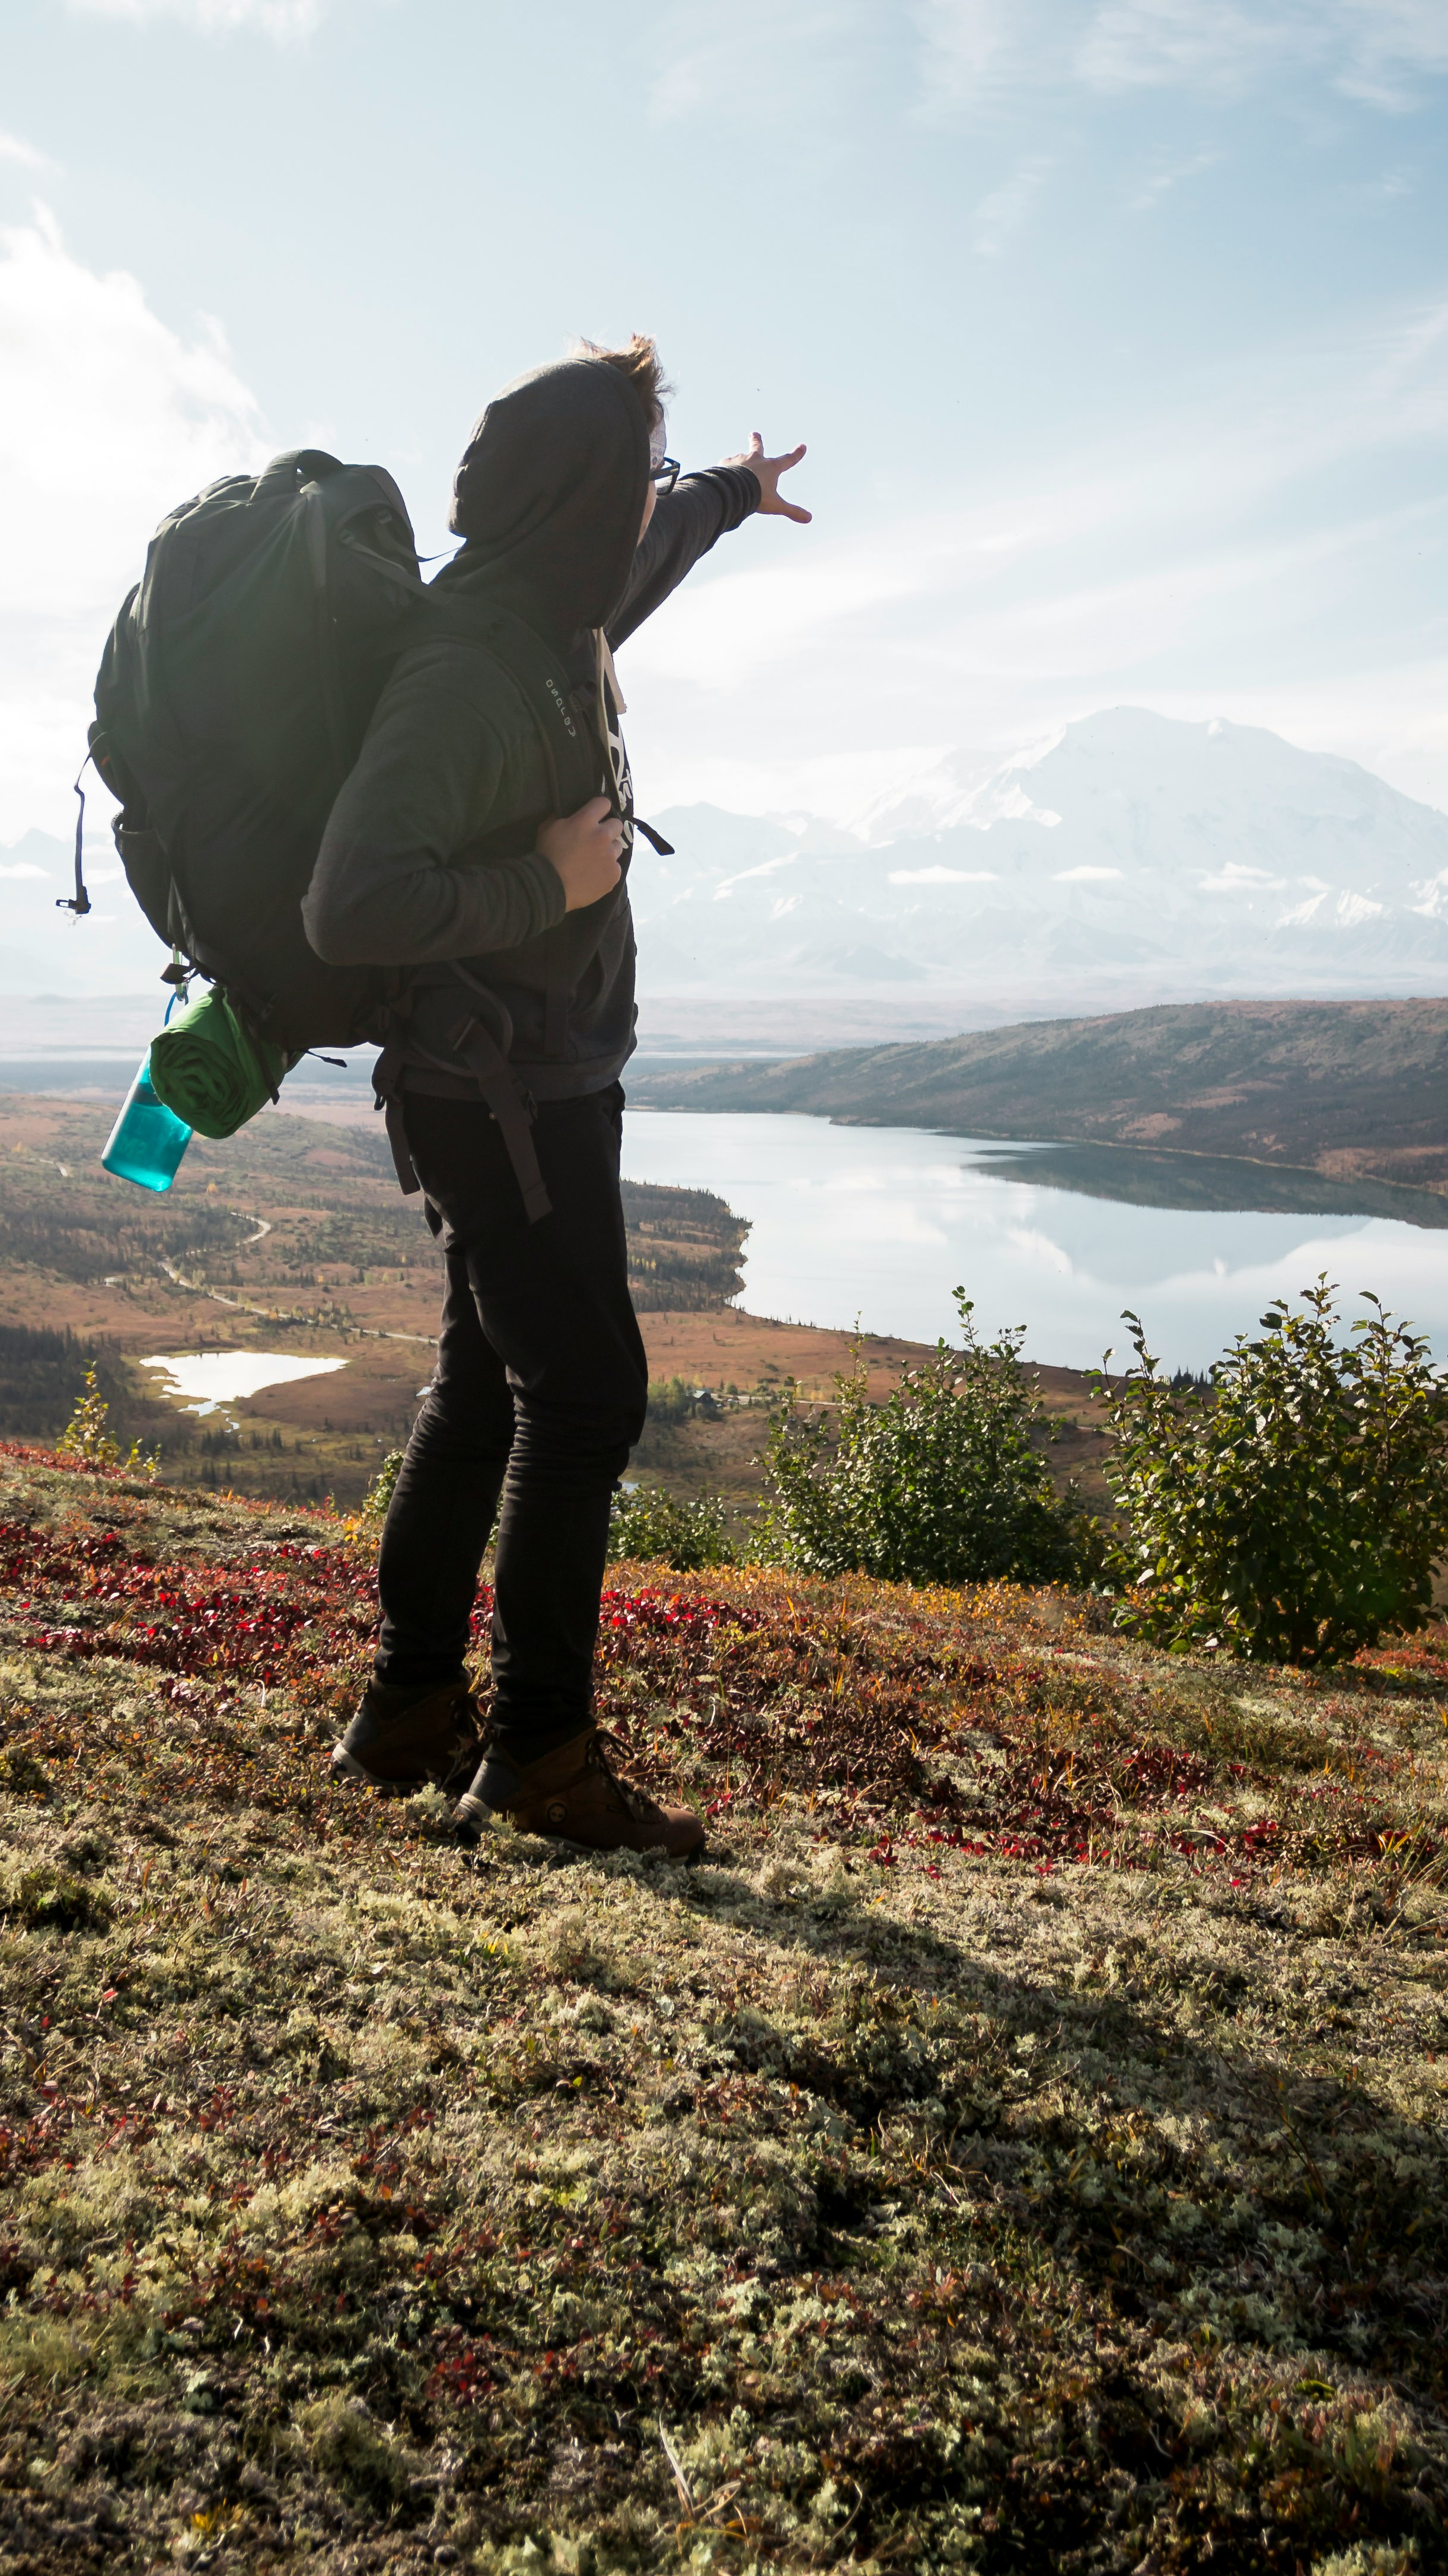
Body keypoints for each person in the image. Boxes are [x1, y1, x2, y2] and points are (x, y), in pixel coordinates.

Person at [302, 338, 809, 1856]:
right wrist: (550, 878)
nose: (642, 510)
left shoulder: (554, 608)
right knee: (586, 1399)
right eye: (638, 477)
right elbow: (350, 902)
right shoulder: (472, 665)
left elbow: (641, 564)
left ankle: (405, 1712)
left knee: (486, 1390)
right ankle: (538, 1759)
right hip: (504, 1100)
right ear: (578, 497)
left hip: (528, 1086)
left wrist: (727, 492)